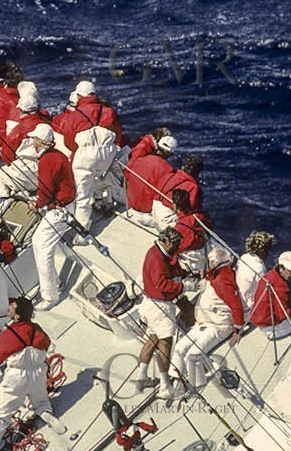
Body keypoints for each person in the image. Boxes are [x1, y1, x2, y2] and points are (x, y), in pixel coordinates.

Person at [55, 79, 126, 238]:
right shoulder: (109, 111)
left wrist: (78, 152)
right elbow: (118, 134)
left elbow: (68, 139)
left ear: (79, 96)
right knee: (102, 175)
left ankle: (82, 232)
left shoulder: (76, 114)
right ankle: (103, 202)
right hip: (108, 153)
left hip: (86, 155)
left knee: (83, 195)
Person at [0, 296, 53, 451]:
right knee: (41, 399)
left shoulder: (7, 335)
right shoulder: (37, 329)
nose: (9, 307)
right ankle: (45, 412)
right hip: (38, 373)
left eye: (12, 307)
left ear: (17, 316)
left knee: (1, 417)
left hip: (16, 378)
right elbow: (47, 344)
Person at [174, 246, 245, 390]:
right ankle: (176, 378)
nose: (209, 264)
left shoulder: (222, 282)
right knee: (179, 348)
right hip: (204, 322)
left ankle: (197, 385)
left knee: (193, 355)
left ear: (217, 264)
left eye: (211, 262)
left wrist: (237, 329)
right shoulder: (215, 275)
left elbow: (236, 306)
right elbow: (208, 276)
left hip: (217, 326)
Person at [26, 123, 76, 309]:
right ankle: (54, 283)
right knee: (39, 242)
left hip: (60, 210)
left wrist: (36, 205)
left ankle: (51, 296)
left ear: (40, 142)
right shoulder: (57, 155)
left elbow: (45, 191)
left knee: (41, 245)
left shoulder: (47, 161)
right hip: (65, 206)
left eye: (34, 139)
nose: (32, 141)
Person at [136, 227, 186, 399]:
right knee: (165, 345)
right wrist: (182, 287)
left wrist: (185, 274)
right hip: (160, 307)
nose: (178, 248)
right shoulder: (158, 259)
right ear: (167, 242)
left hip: (149, 304)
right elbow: (161, 284)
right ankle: (165, 386)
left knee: (152, 340)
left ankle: (141, 378)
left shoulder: (155, 252)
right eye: (176, 244)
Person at [125, 129, 177, 222]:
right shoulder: (168, 170)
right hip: (146, 214)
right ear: (170, 154)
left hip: (130, 205)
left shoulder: (140, 159)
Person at [172, 188, 212, 275]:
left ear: (175, 205)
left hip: (192, 264)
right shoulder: (201, 217)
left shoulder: (180, 227)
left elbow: (174, 250)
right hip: (203, 259)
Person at [237, 230, 275, 311]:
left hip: (239, 303)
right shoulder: (260, 268)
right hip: (248, 310)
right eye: (267, 250)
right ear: (262, 250)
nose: (268, 254)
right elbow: (264, 294)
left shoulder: (243, 258)